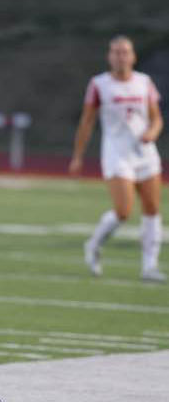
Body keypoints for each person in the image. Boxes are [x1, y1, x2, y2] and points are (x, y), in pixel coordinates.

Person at [70, 35, 165, 282]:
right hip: (116, 153)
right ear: (109, 56)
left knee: (152, 208)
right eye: (115, 52)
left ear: (133, 56)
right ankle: (93, 244)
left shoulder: (144, 82)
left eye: (125, 52)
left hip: (145, 154)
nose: (120, 56)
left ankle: (149, 267)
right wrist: (78, 156)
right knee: (123, 211)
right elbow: (87, 122)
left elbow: (156, 118)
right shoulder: (99, 84)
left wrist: (152, 133)